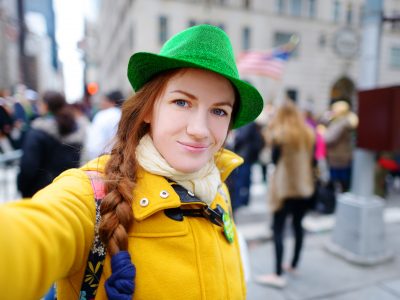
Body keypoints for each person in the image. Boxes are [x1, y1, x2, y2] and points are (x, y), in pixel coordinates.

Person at [0, 24, 264, 299]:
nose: (200, 129)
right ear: (149, 108)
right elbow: (29, 238)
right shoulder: (89, 196)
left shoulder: (217, 185)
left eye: (219, 111)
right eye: (182, 103)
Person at [256, 100, 315, 288]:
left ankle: (277, 274)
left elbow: (272, 159)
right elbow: (312, 161)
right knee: (298, 226)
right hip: (304, 186)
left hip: (284, 187)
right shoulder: (307, 133)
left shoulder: (280, 134)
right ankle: (293, 264)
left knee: (278, 229)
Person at [17, 91, 86, 198]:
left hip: (39, 196)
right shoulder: (75, 130)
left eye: (40, 103)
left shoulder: (37, 132)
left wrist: (22, 188)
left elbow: (28, 168)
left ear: (46, 105)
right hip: (66, 193)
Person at [323, 100, 358, 193]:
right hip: (343, 156)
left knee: (339, 182)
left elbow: (328, 139)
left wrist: (322, 133)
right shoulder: (343, 121)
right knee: (342, 181)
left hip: (338, 157)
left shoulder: (340, 124)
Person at [85, 90, 124, 160]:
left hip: (99, 156)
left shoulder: (107, 114)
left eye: (105, 100)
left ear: (112, 102)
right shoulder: (117, 114)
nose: (102, 103)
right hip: (105, 155)